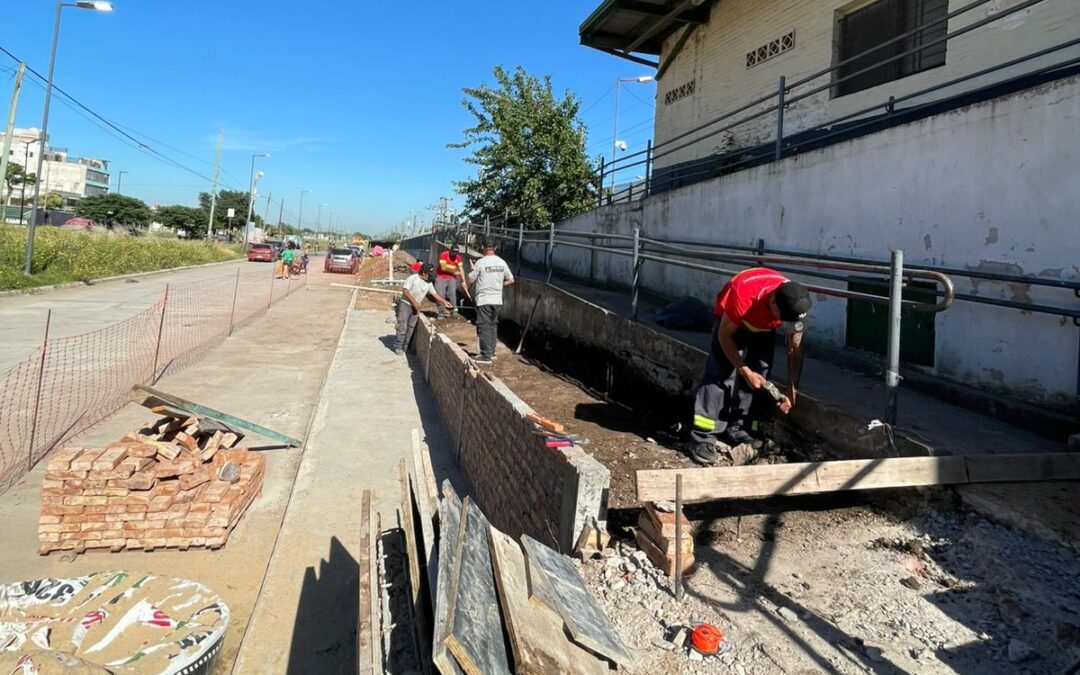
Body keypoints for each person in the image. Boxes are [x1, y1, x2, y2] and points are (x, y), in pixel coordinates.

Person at [689, 267, 811, 465]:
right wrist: (744, 370)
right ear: (772, 301)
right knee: (721, 373)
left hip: (763, 326)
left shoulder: (793, 303)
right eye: (783, 319)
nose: (786, 325)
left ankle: (741, 429)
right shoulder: (743, 297)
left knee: (760, 375)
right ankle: (703, 437)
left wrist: (791, 389)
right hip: (732, 323)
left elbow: (795, 350)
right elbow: (724, 336)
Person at [466, 239, 514, 365]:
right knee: (493, 325)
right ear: (495, 248)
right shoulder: (502, 262)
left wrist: (472, 269)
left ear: (482, 247)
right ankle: (491, 352)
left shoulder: (481, 263)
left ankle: (485, 356)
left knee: (483, 326)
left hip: (484, 299)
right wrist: (498, 285)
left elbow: (471, 279)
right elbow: (511, 280)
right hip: (497, 300)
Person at [394, 263, 453, 355]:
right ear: (424, 273)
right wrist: (414, 302)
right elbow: (405, 291)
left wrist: (444, 302)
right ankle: (398, 346)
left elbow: (435, 294)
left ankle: (405, 346)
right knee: (403, 325)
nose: (430, 277)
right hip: (406, 304)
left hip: (416, 306)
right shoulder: (413, 278)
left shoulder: (429, 283)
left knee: (411, 327)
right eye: (429, 274)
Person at [435, 245, 466, 318]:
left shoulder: (458, 257)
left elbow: (461, 269)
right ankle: (441, 312)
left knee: (452, 293)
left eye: (456, 253)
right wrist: (454, 271)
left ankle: (453, 310)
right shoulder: (444, 255)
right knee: (440, 294)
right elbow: (443, 268)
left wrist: (463, 281)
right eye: (453, 252)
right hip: (441, 277)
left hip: (451, 278)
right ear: (450, 251)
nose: (455, 254)